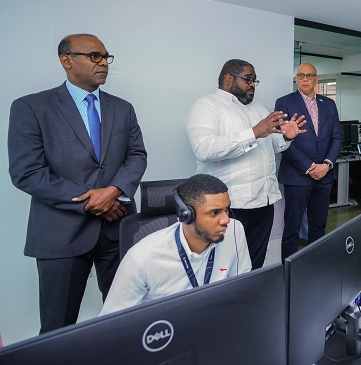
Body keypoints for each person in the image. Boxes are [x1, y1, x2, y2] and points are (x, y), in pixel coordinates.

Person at [8, 33, 148, 333]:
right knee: (58, 329)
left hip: (118, 229)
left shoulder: (122, 108)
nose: (104, 63)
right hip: (61, 233)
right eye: (95, 56)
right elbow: (27, 172)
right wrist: (93, 202)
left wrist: (114, 192)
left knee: (127, 320)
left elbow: (137, 156)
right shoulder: (31, 107)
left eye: (106, 57)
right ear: (66, 60)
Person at [185, 59, 306, 269]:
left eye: (254, 81)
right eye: (248, 79)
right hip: (230, 206)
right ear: (228, 79)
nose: (252, 85)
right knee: (224, 266)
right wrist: (253, 133)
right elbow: (203, 149)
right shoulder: (207, 105)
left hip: (264, 201)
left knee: (254, 263)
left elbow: (271, 145)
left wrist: (286, 137)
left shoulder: (258, 108)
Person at [99, 174, 251, 315]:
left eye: (226, 209)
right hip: (165, 329)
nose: (226, 220)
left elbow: (242, 288)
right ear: (186, 215)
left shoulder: (234, 230)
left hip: (215, 319)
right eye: (214, 213)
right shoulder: (141, 258)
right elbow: (112, 323)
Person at [274, 63, 343, 260]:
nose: (305, 79)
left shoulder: (328, 104)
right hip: (297, 176)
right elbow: (282, 139)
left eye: (310, 75)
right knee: (292, 228)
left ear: (316, 79)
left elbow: (337, 137)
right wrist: (309, 166)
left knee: (318, 226)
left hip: (324, 176)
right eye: (301, 75)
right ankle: (288, 270)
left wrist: (327, 164)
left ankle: (315, 266)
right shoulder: (284, 102)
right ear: (296, 79)